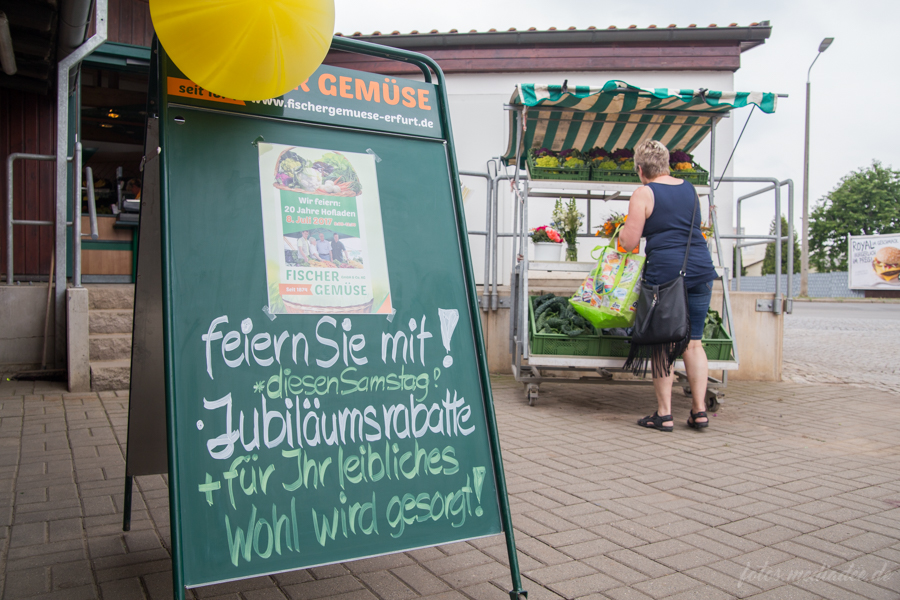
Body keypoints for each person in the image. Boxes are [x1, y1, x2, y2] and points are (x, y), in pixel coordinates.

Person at [618, 139, 717, 432]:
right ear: (667, 164)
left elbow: (629, 242)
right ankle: (699, 412)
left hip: (667, 276)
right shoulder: (690, 190)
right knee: (694, 343)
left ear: (640, 169)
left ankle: (664, 414)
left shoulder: (644, 193)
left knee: (664, 344)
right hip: (700, 269)